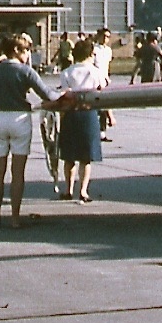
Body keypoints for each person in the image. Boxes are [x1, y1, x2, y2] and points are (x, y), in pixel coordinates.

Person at [0, 34, 58, 228]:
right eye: (26, 50)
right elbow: (48, 95)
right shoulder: (26, 72)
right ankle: (14, 218)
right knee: (18, 172)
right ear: (16, 50)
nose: (27, 54)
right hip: (20, 119)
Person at [56, 38, 104, 204]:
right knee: (86, 157)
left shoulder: (67, 72)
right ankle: (83, 191)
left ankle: (68, 189)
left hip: (70, 114)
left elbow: (63, 94)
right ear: (91, 54)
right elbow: (102, 90)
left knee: (69, 157)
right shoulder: (96, 72)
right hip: (88, 114)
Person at [91, 27, 115, 141]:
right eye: (104, 36)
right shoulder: (94, 49)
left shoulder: (108, 50)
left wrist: (107, 78)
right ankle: (94, 131)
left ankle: (102, 132)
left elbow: (107, 66)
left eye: (108, 37)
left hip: (105, 80)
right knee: (96, 107)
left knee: (105, 105)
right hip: (95, 80)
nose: (106, 39)